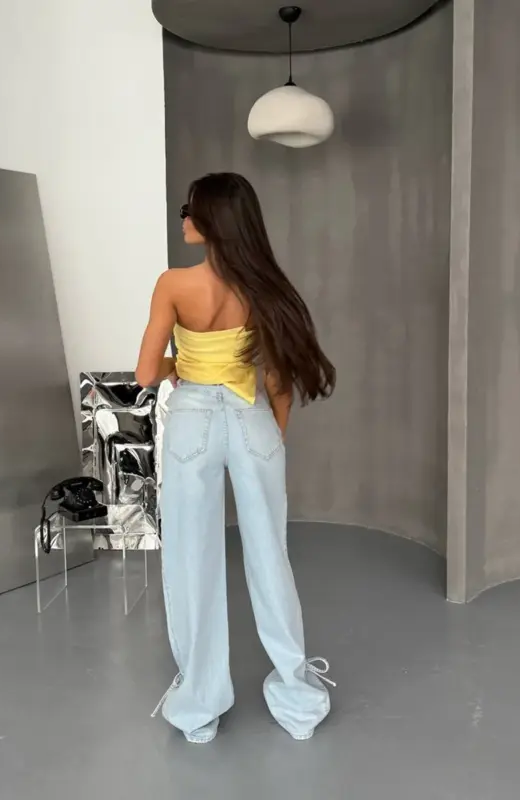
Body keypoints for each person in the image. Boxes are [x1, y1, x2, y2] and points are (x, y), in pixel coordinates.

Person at [136, 172, 336, 744]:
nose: (183, 218)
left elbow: (146, 373)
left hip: (193, 422)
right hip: (253, 419)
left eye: (190, 209)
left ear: (212, 219)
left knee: (191, 559)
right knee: (271, 555)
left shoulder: (173, 284)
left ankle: (199, 708)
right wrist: (272, 437)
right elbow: (278, 381)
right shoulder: (264, 288)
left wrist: (181, 365)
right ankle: (298, 701)